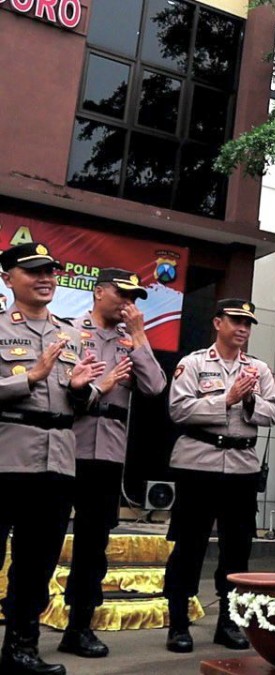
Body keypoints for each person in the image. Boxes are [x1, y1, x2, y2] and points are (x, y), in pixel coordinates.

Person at [0, 243, 105, 675]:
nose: (46, 279)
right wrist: (31, 376)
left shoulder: (70, 334)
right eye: (34, 271)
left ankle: (21, 648)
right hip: (7, 456)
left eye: (51, 271)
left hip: (57, 462)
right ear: (7, 279)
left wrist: (81, 390)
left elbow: (83, 399)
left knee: (37, 563)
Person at [59, 269, 167, 659]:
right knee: (45, 538)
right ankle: (24, 625)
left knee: (93, 545)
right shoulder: (69, 331)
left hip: (107, 453)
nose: (129, 303)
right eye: (122, 294)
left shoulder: (130, 341)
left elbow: (155, 387)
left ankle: (79, 626)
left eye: (135, 298)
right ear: (99, 292)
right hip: (65, 446)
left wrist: (139, 337)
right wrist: (95, 388)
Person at [162, 299, 275, 654]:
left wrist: (249, 401)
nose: (243, 328)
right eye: (236, 321)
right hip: (198, 463)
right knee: (189, 545)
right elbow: (178, 410)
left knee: (237, 548)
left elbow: (274, 412)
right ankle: (178, 623)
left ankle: (228, 622)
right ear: (217, 323)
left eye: (248, 323)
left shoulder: (258, 369)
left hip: (242, 467)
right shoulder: (194, 363)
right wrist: (226, 399)